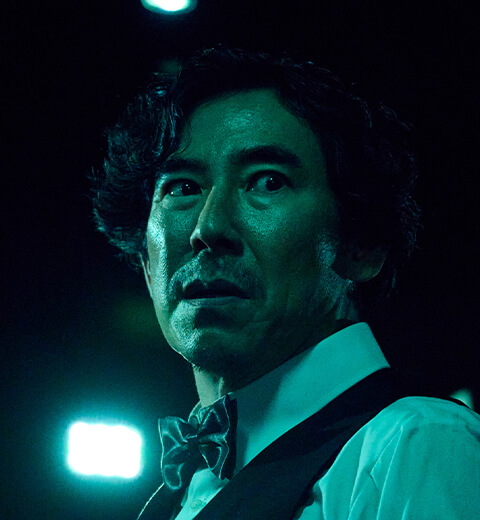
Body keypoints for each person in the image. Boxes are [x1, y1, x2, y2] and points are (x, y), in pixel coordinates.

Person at [92, 46, 480, 519]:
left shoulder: (415, 444)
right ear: (147, 264)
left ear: (362, 246)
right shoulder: (180, 491)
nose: (207, 227)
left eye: (267, 181)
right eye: (182, 187)